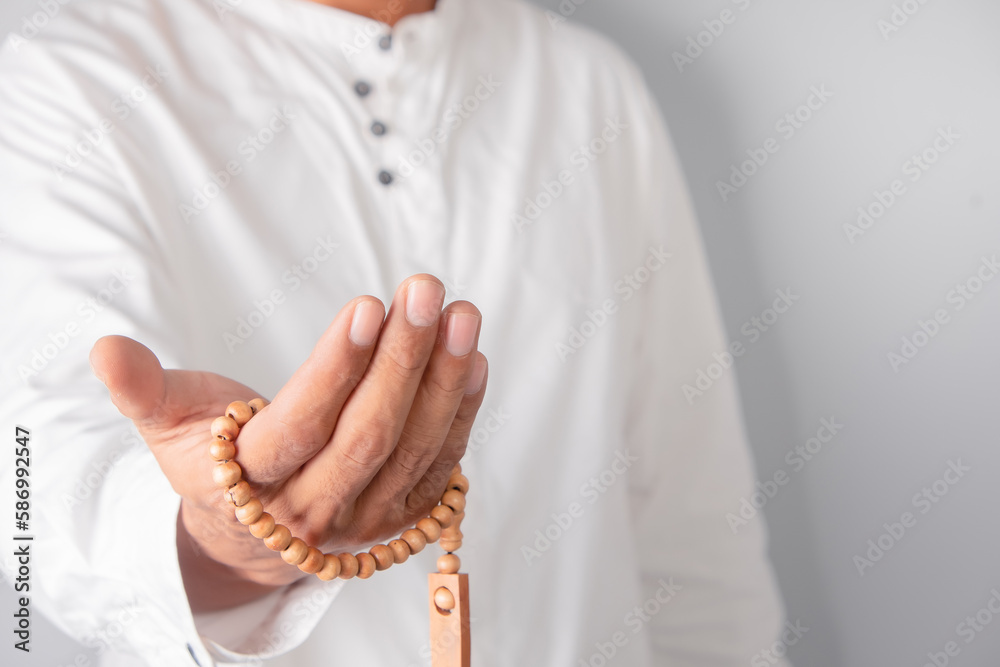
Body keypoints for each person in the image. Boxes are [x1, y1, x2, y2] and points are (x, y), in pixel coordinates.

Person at [0, 0, 790, 664]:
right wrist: (223, 539)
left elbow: (695, 538)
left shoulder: (591, 89)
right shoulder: (64, 76)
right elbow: (36, 511)